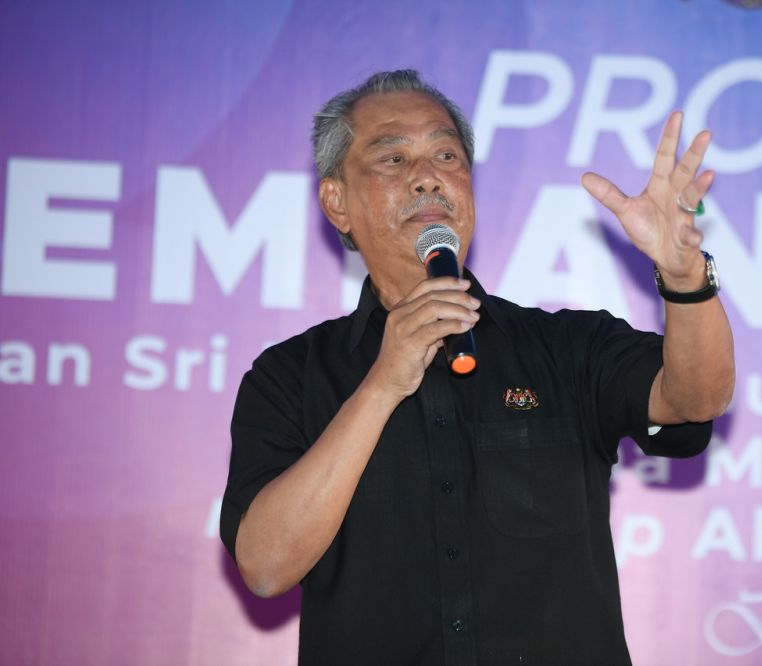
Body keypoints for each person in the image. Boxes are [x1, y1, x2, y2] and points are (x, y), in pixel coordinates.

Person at [221, 69, 735, 666]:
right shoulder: (290, 376)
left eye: (447, 155)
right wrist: (383, 384)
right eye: (393, 158)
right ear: (337, 203)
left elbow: (696, 399)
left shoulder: (567, 347)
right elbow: (265, 565)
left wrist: (684, 280)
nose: (427, 177)